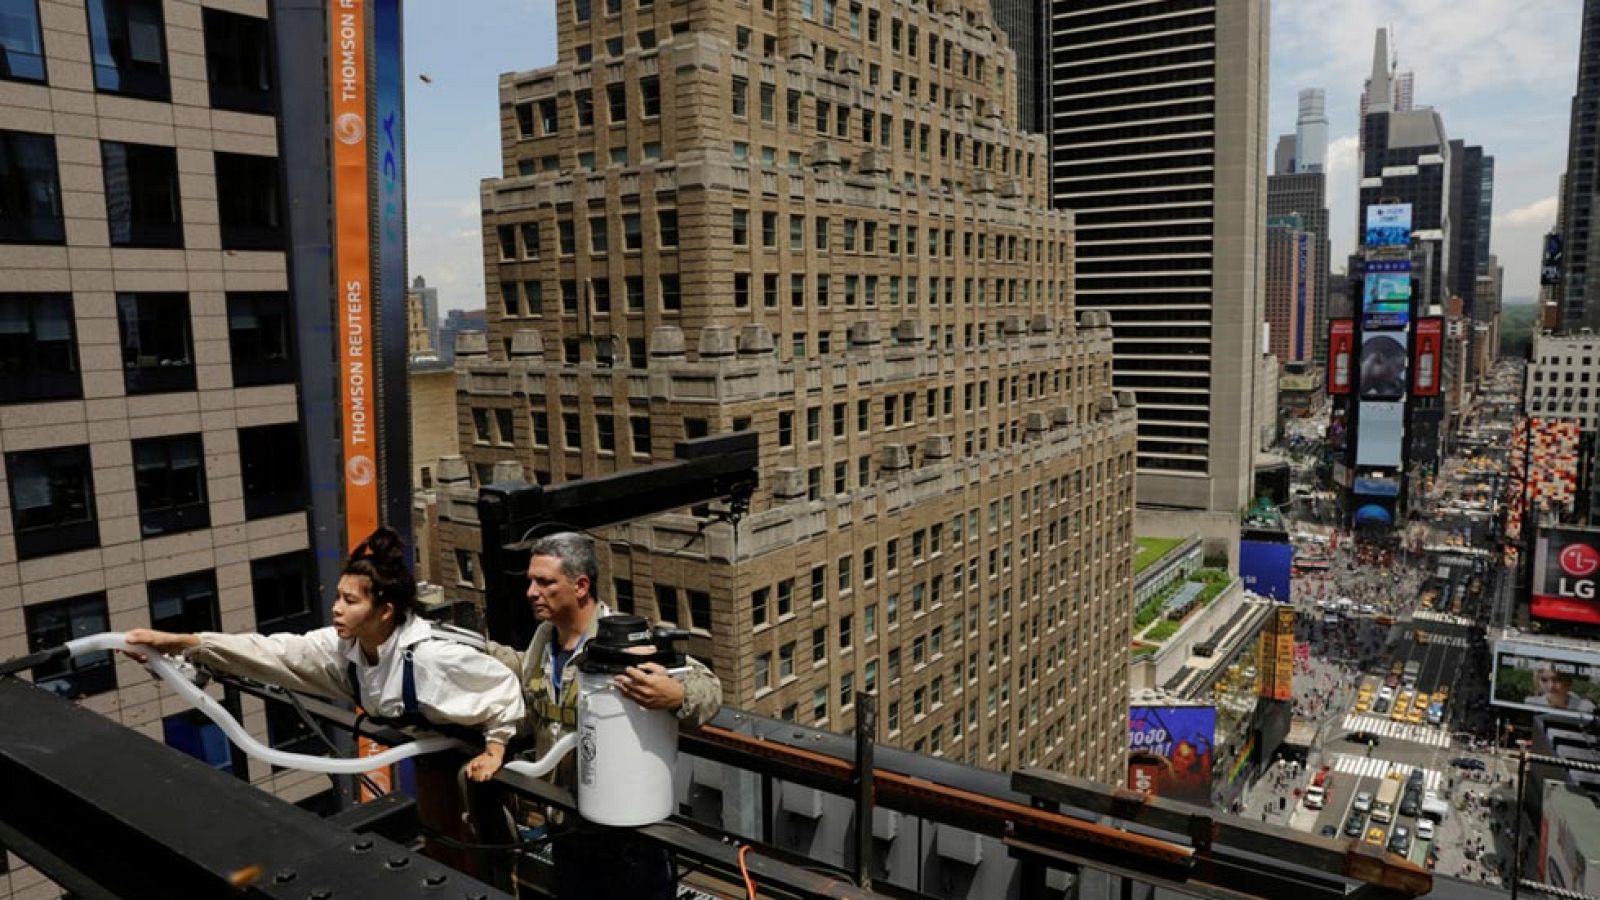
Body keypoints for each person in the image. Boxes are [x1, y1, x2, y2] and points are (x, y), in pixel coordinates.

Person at [124, 527, 524, 781]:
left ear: (385, 611)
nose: (336, 608)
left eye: (350, 601)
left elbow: (503, 687)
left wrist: (495, 749)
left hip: (514, 714)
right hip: (444, 740)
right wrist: (184, 643)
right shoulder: (344, 649)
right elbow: (274, 653)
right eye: (337, 597)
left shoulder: (429, 658)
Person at [486, 531, 720, 900]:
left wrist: (677, 694)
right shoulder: (543, 642)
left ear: (580, 586)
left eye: (544, 582)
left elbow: (709, 690)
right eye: (531, 581)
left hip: (628, 838)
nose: (531, 592)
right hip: (567, 826)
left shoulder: (624, 642)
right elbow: (525, 686)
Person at [1525, 662, 1597, 714]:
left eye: (1556, 680)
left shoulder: (1586, 708)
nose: (1551, 686)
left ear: (1567, 682)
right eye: (1544, 680)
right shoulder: (1531, 704)